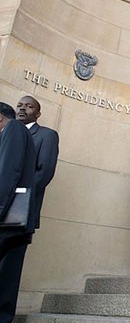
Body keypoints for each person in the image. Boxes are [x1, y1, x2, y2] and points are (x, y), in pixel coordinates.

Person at [0, 102, 37, 323]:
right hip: (12, 221)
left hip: (7, 220)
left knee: (5, 278)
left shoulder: (13, 129)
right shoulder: (18, 131)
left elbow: (7, 172)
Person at [16, 95, 59, 225]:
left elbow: (44, 172)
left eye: (29, 106)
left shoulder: (46, 135)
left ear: (38, 114)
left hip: (20, 208)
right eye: (20, 105)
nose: (23, 108)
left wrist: (18, 195)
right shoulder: (6, 133)